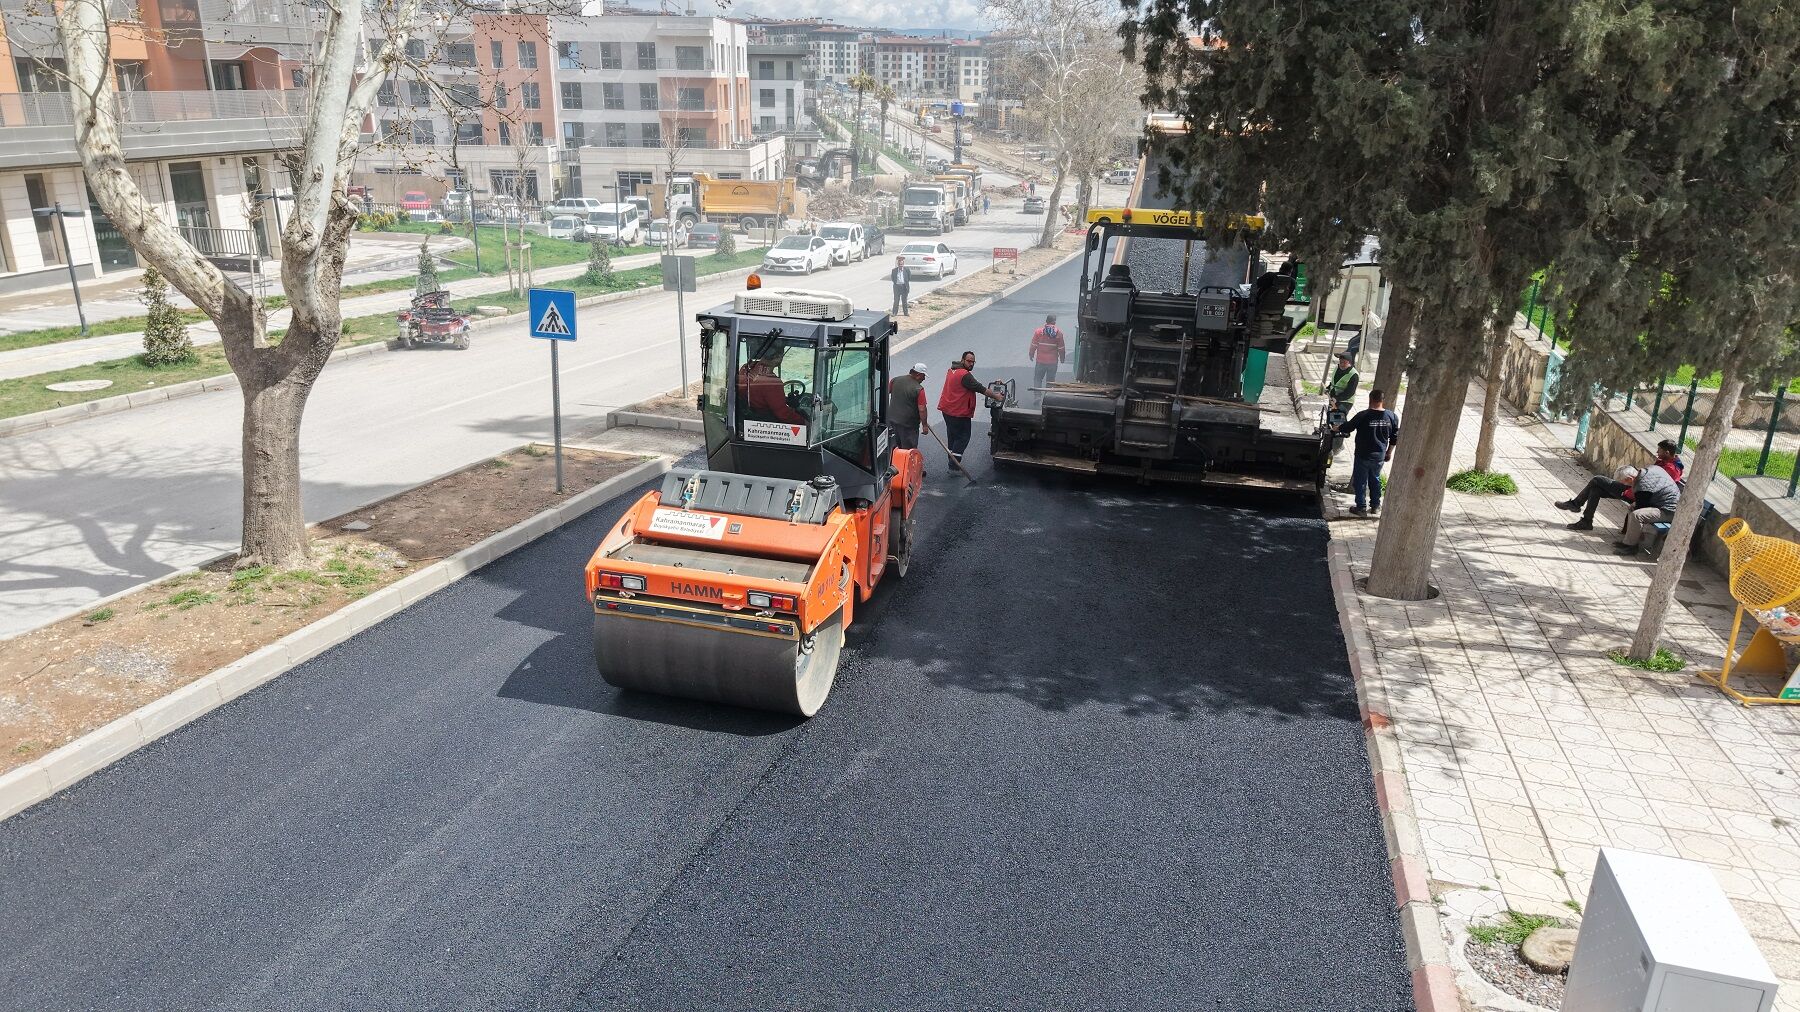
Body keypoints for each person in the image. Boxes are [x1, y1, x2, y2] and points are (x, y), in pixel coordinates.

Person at [1556, 439, 1685, 531]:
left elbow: (1653, 487)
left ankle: (1576, 504)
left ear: (1667, 452)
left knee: (1597, 480)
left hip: (1640, 495)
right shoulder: (1663, 462)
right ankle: (1586, 521)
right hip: (1636, 489)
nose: (1657, 452)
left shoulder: (1672, 469)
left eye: (1660, 450)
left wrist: (1630, 488)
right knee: (1596, 490)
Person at [1335, 389, 1401, 516]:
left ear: (1370, 399)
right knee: (1375, 480)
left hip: (1363, 455)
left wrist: (1337, 427)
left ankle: (1361, 507)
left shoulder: (1362, 415)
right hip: (1379, 456)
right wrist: (1389, 452)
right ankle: (1375, 506)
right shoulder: (1392, 416)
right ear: (1383, 400)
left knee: (1360, 481)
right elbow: (1394, 438)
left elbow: (1348, 427)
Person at [937, 350, 1004, 465]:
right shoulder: (965, 375)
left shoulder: (952, 370)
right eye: (969, 361)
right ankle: (954, 466)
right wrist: (997, 396)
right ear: (962, 360)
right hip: (958, 412)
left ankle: (951, 459)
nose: (971, 364)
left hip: (947, 410)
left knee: (952, 436)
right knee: (963, 437)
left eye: (973, 362)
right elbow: (980, 388)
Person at [1614, 455, 1682, 555]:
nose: (1625, 485)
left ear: (1630, 478)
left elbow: (1641, 507)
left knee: (1636, 515)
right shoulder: (1649, 470)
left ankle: (1631, 547)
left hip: (1670, 511)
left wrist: (1635, 505)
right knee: (1633, 508)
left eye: (1624, 482)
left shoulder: (1642, 485)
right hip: (1665, 504)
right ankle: (1627, 542)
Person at [738, 344, 807, 424]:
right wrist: (804, 422)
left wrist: (785, 399)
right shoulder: (772, 383)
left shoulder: (746, 368)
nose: (781, 357)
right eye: (781, 354)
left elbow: (755, 393)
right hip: (766, 421)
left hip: (749, 417)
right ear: (777, 357)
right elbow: (783, 414)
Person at [888, 362, 930, 455]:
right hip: (908, 426)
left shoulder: (895, 380)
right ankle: (907, 464)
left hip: (892, 420)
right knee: (909, 451)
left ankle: (896, 462)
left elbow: (887, 391)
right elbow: (922, 409)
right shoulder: (918, 389)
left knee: (896, 447)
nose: (924, 379)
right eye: (923, 376)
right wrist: (924, 425)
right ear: (918, 374)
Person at [1027, 314, 1065, 403]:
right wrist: (1062, 358)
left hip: (1040, 361)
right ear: (1054, 322)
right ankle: (1048, 398)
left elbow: (1033, 345)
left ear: (1046, 321)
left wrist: (1031, 354)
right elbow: (1061, 348)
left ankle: (1037, 397)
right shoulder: (1059, 333)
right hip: (1052, 362)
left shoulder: (1039, 332)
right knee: (1050, 381)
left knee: (1038, 378)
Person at [1328, 353, 1360, 419]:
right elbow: (1334, 382)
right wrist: (1328, 388)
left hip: (1345, 401)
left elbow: (1350, 392)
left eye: (1344, 362)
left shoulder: (1354, 375)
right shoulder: (1337, 368)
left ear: (1349, 362)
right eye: (1340, 362)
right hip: (1333, 398)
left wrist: (1336, 399)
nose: (1341, 364)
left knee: (1338, 420)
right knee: (1331, 418)